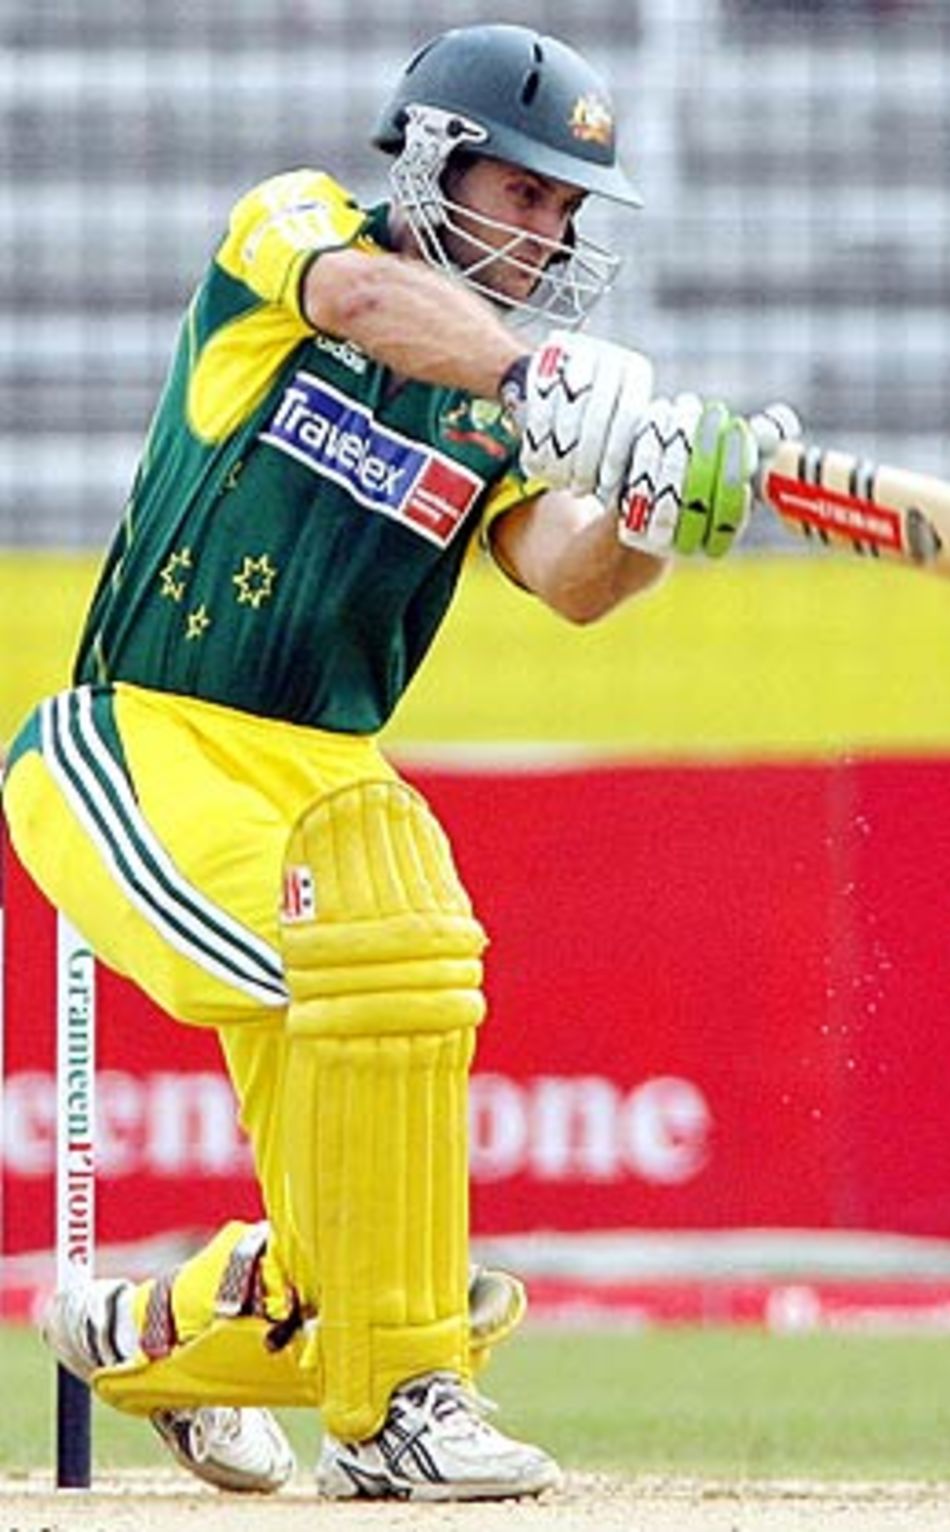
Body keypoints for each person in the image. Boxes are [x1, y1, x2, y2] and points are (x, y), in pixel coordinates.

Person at [1, 22, 790, 1502]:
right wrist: (536, 370)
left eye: (569, 214)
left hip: (324, 776)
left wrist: (656, 509)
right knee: (381, 992)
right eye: (526, 194)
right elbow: (360, 298)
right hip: (141, 740)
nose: (549, 234)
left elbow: (563, 578)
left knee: (414, 965)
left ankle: (171, 1331)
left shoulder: (497, 410)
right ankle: (396, 1394)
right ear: (432, 161)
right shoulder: (295, 228)